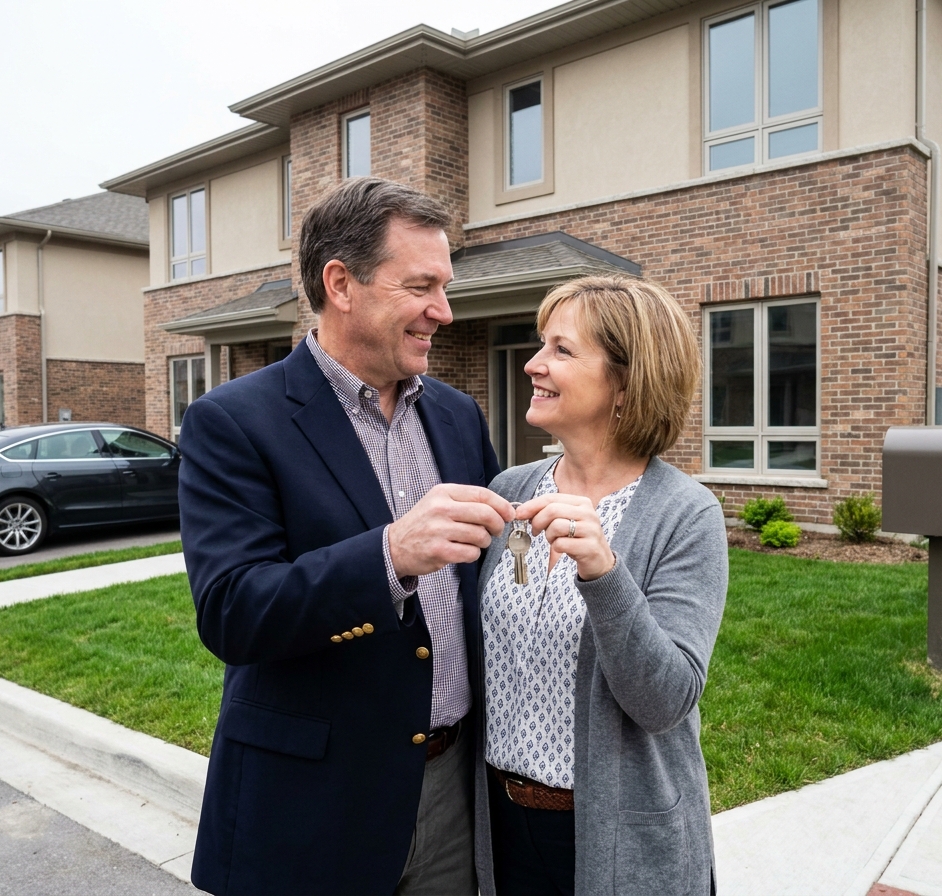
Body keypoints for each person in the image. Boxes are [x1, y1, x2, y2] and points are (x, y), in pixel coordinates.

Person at [179, 177, 514, 896]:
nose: (443, 311)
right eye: (420, 286)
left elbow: (487, 584)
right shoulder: (233, 421)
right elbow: (233, 612)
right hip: (314, 804)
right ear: (341, 284)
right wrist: (390, 556)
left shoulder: (457, 415)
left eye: (444, 287)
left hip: (452, 789)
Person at [475, 274, 728, 896]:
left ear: (625, 382)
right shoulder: (511, 491)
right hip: (500, 827)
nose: (533, 364)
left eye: (561, 350)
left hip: (619, 839)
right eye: (541, 344)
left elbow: (666, 701)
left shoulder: (685, 514)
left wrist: (605, 574)